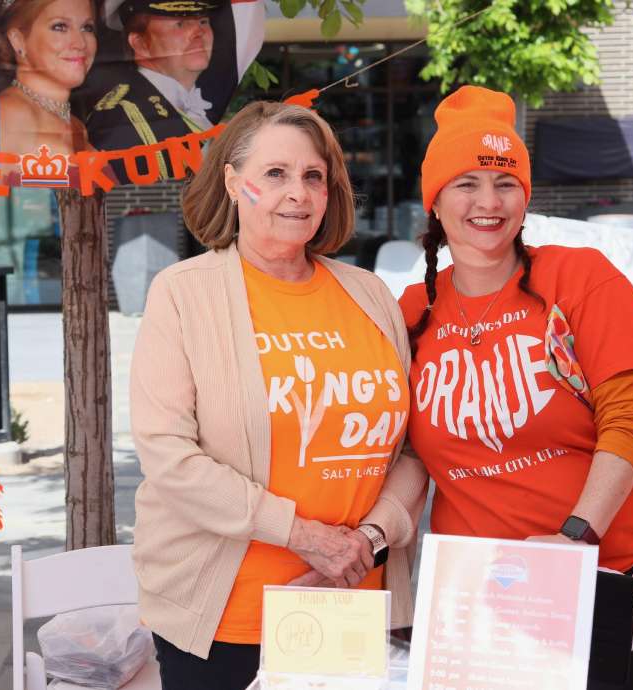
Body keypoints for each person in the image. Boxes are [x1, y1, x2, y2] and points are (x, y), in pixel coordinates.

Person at [130, 100, 428, 689]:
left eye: (313, 176)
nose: (299, 192)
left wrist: (365, 544)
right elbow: (168, 455)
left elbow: (414, 450)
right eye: (277, 174)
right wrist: (306, 538)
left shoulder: (370, 296)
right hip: (228, 616)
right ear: (234, 183)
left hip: (350, 601)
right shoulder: (184, 294)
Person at [398, 85, 633, 689]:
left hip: (611, 570)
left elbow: (630, 421)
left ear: (525, 198)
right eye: (467, 182)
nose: (489, 201)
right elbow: (404, 455)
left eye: (506, 183)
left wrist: (574, 537)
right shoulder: (409, 312)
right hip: (483, 594)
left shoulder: (578, 277)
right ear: (435, 201)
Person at [81, 0, 223, 177]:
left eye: (203, 22)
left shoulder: (198, 103)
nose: (199, 32)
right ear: (140, 44)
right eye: (180, 24)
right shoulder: (119, 117)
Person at [0, 0, 98, 157]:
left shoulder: (76, 124)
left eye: (87, 28)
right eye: (60, 27)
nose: (80, 43)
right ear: (18, 40)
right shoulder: (9, 115)